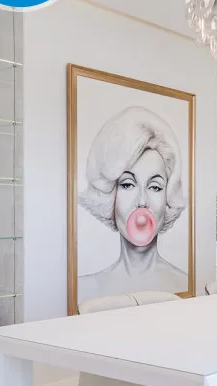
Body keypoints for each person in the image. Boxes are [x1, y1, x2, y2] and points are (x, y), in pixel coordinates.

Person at [77, 106, 187, 302]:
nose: (142, 202)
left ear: (168, 199)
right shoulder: (85, 289)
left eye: (155, 187)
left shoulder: (184, 284)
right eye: (128, 184)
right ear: (110, 195)